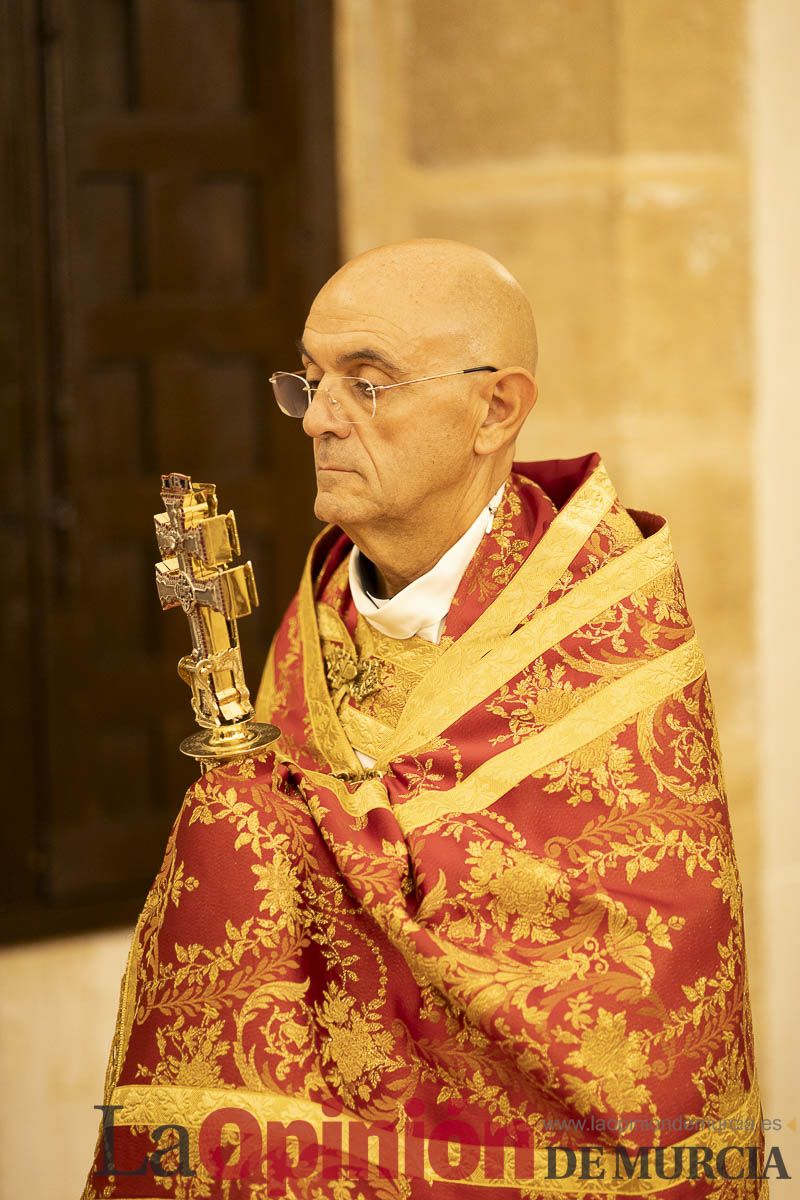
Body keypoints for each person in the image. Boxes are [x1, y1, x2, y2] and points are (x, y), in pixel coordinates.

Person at [82, 240, 766, 1200]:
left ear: (496, 409)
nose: (317, 418)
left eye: (367, 383)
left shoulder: (606, 621)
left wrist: (267, 828)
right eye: (309, 380)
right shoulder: (320, 608)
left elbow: (635, 973)